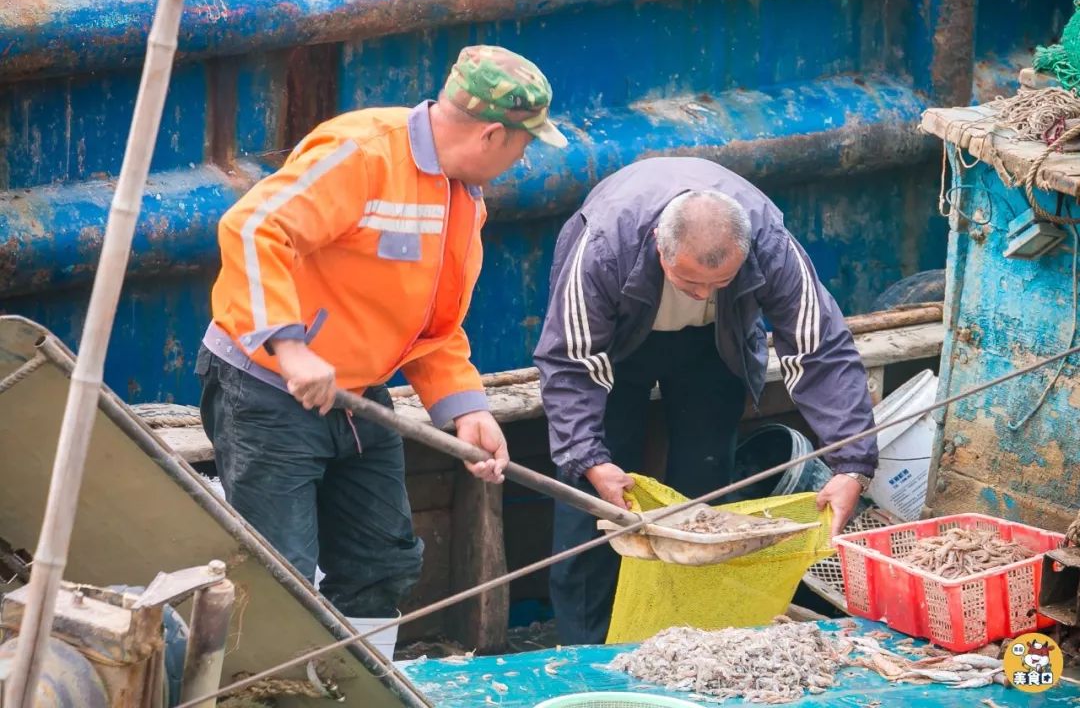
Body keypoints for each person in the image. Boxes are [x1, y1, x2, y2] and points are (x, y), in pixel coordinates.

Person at [196, 45, 567, 625]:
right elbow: (252, 227)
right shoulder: (362, 150)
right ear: (493, 134)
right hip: (267, 388)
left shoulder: (462, 195)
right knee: (278, 576)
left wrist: (464, 408)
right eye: (524, 144)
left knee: (382, 562)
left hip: (357, 396)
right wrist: (290, 349)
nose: (522, 160)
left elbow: (432, 323)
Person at [534, 156, 878, 645]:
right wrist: (588, 458)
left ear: (745, 253)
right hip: (614, 349)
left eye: (718, 283)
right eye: (689, 282)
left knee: (706, 492)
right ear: (659, 245)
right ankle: (582, 647)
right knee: (597, 505)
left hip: (717, 343)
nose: (702, 293)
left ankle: (689, 639)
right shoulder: (605, 245)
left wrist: (852, 464)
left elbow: (818, 347)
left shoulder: (769, 241)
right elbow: (571, 359)